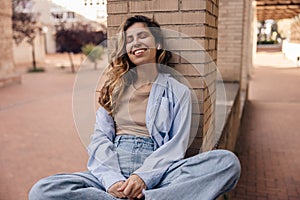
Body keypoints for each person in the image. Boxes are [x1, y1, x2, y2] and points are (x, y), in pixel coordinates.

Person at [29, 15, 241, 200]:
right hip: (114, 162)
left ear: (158, 44)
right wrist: (112, 181)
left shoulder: (178, 91)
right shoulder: (114, 88)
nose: (135, 43)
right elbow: (100, 138)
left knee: (227, 163)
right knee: (43, 191)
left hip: (158, 169)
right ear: (126, 50)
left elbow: (176, 146)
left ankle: (147, 196)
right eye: (129, 40)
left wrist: (143, 177)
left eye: (142, 36)